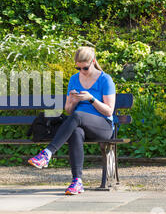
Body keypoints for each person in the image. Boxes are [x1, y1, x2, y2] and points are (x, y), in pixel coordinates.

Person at [28, 46, 116, 195]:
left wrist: (91, 99)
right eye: (78, 68)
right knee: (75, 130)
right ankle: (77, 182)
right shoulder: (74, 79)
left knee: (77, 116)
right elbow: (68, 110)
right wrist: (74, 101)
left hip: (103, 127)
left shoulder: (105, 79)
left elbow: (109, 111)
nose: (82, 71)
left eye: (85, 68)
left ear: (93, 62)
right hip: (80, 125)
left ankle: (48, 153)